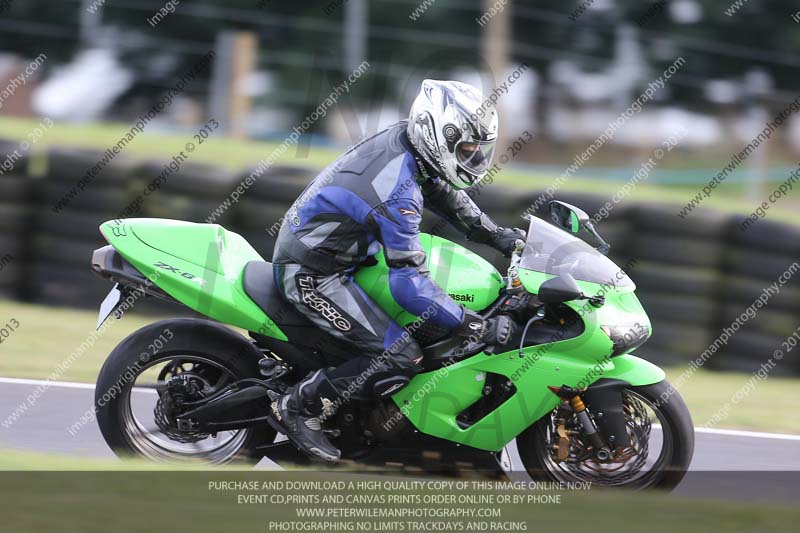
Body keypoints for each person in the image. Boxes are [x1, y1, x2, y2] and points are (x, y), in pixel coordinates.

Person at [269, 80, 523, 461]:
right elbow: (410, 287)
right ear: (437, 134)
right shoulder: (396, 193)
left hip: (345, 257)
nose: (473, 159)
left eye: (477, 150)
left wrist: (500, 237)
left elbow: (443, 193)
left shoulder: (410, 145)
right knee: (399, 355)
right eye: (466, 150)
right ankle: (299, 407)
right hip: (311, 273)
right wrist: (472, 324)